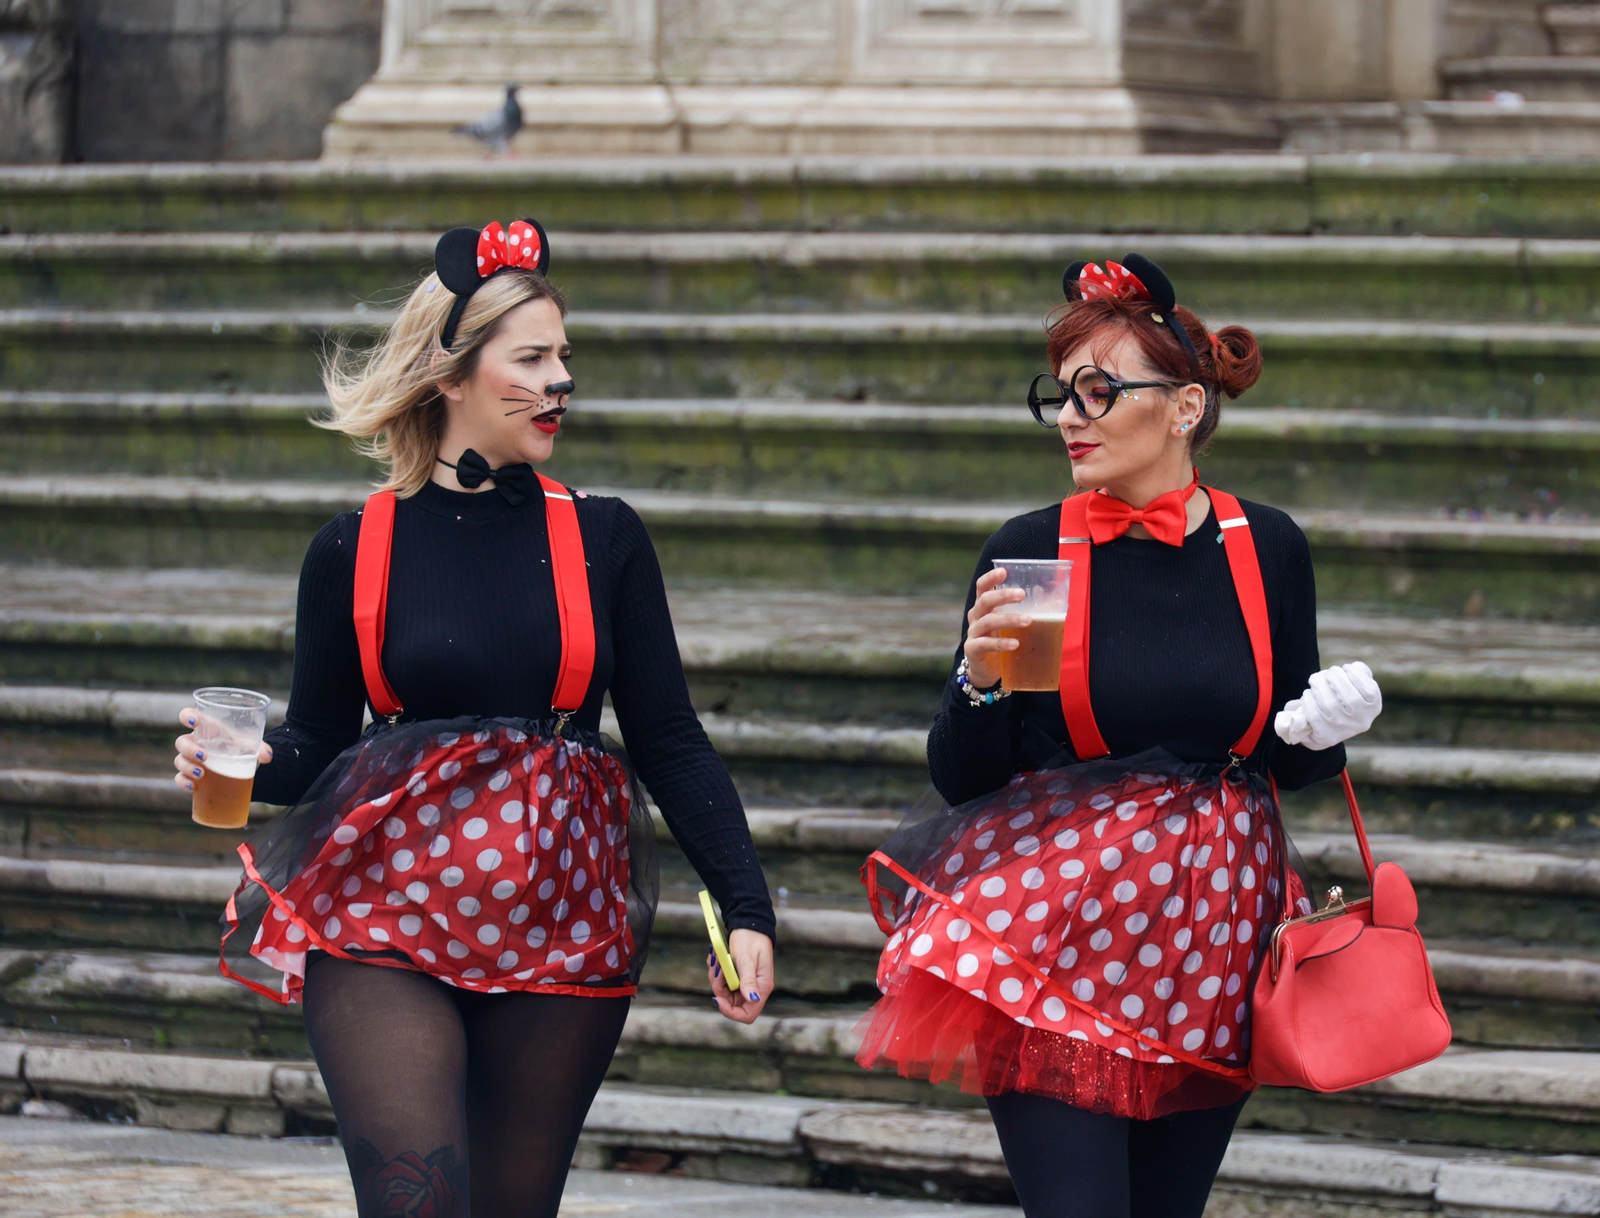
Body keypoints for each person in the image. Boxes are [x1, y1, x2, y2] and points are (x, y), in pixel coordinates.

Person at [171, 219, 776, 1218]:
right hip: (383, 910)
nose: (560, 382)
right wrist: (232, 760)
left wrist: (744, 908)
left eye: (564, 359)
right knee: (420, 1202)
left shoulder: (604, 538)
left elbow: (668, 738)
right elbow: (316, 743)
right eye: (531, 359)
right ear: (449, 376)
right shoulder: (351, 546)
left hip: (561, 912)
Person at [856, 255, 1382, 1218]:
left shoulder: (1265, 548)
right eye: (1061, 395)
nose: (1071, 416)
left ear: (1185, 408)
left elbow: (1293, 763)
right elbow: (969, 774)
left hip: (1218, 936)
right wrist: (976, 681)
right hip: (1065, 934)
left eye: (1099, 392)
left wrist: (1327, 726)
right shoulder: (1038, 550)